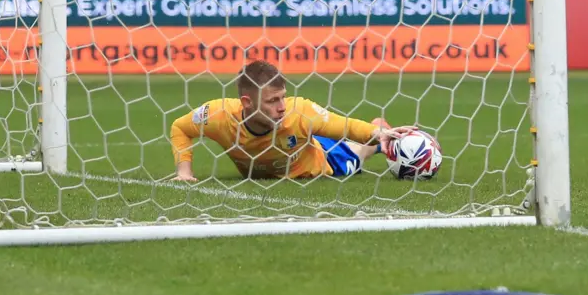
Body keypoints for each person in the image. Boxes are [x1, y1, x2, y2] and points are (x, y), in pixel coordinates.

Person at [170, 60, 415, 181]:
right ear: (247, 103)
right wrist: (184, 171)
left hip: (323, 161)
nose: (281, 107)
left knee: (359, 151)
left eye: (283, 98)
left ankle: (382, 129)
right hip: (295, 140)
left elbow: (347, 126)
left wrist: (375, 132)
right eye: (272, 101)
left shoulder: (299, 112)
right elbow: (180, 127)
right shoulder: (218, 115)